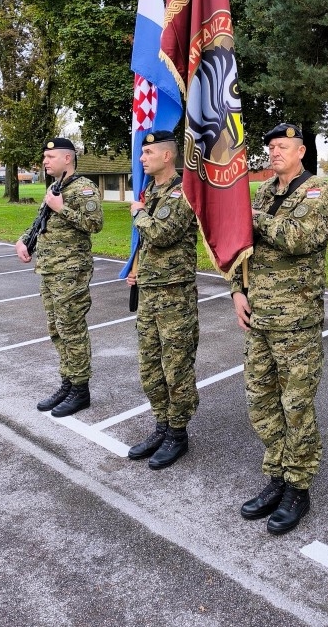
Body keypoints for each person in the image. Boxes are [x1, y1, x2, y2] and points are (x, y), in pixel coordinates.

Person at [231, 123, 328, 535]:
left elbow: (299, 238)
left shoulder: (319, 191)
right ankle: (276, 474)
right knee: (261, 401)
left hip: (296, 319)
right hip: (258, 314)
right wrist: (237, 290)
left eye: (282, 147)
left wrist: (252, 217)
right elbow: (242, 247)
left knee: (296, 406)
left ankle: (298, 485)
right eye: (271, 146)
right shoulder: (263, 192)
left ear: (301, 151)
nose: (274, 152)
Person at [125, 130, 199, 470]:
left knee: (176, 366)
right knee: (150, 366)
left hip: (175, 294)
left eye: (147, 152)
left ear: (167, 156)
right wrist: (137, 268)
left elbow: (162, 233)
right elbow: (148, 243)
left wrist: (138, 213)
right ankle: (161, 424)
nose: (141, 158)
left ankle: (178, 433)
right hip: (150, 291)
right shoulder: (151, 191)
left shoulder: (183, 191)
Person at [16, 138, 103, 417]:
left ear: (68, 158)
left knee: (72, 329)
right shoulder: (56, 188)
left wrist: (60, 207)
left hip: (71, 272)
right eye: (45, 156)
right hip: (50, 270)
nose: (45, 161)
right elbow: (41, 221)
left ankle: (80, 390)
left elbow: (95, 224)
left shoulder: (83, 188)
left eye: (51, 156)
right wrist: (24, 239)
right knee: (56, 330)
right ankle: (67, 382)